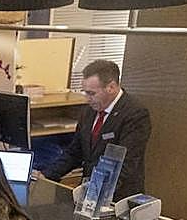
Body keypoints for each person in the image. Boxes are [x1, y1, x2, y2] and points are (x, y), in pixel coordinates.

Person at [38, 59, 150, 199]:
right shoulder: (88, 111)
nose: (87, 98)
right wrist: (46, 175)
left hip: (117, 195)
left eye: (91, 93)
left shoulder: (135, 114)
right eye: (85, 93)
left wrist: (95, 192)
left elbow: (126, 164)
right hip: (89, 192)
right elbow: (75, 152)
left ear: (111, 87)